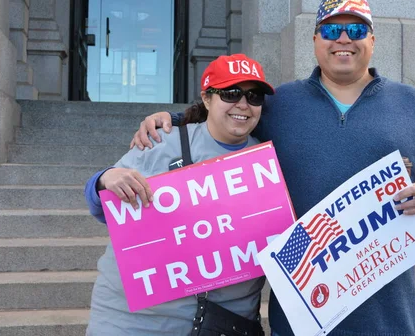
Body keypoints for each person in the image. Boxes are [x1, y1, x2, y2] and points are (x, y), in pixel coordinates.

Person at [98, 0, 415, 335]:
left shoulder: (413, 105)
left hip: (385, 314)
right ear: (315, 40)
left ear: (372, 40)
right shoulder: (280, 103)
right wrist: (171, 121)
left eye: (355, 30)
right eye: (331, 30)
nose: (343, 39)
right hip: (299, 315)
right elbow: (230, 115)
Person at [84, 53, 275, 335]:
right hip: (137, 321)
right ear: (207, 99)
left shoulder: (268, 159)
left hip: (222, 323)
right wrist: (104, 179)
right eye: (231, 93)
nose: (243, 104)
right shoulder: (162, 141)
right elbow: (104, 208)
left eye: (254, 96)